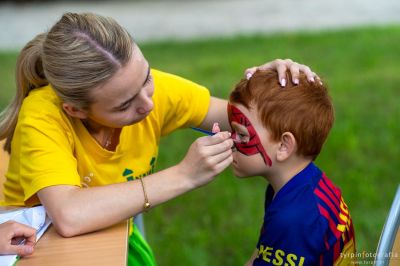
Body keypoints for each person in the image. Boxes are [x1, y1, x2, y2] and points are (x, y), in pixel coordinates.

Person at [0, 12, 320, 265]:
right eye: (125, 104)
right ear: (76, 110)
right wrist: (184, 175)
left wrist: (273, 89)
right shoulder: (43, 115)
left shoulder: (146, 91)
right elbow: (69, 216)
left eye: (147, 76)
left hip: (108, 234)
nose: (149, 104)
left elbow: (245, 119)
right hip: (36, 245)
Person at [228, 70, 356, 265]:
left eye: (242, 134)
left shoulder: (294, 220)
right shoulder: (305, 182)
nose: (231, 141)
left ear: (284, 145)